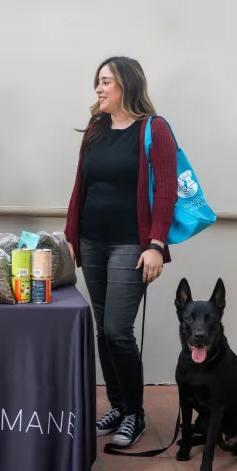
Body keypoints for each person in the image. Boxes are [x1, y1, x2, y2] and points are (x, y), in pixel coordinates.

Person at [64, 56, 178, 448]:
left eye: (106, 81)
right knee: (102, 329)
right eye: (97, 80)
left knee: (117, 329)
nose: (99, 88)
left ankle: (135, 414)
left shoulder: (154, 129)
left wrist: (157, 245)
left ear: (127, 85)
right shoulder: (96, 128)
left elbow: (166, 189)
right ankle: (116, 404)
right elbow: (82, 184)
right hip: (93, 241)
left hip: (131, 244)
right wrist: (73, 236)